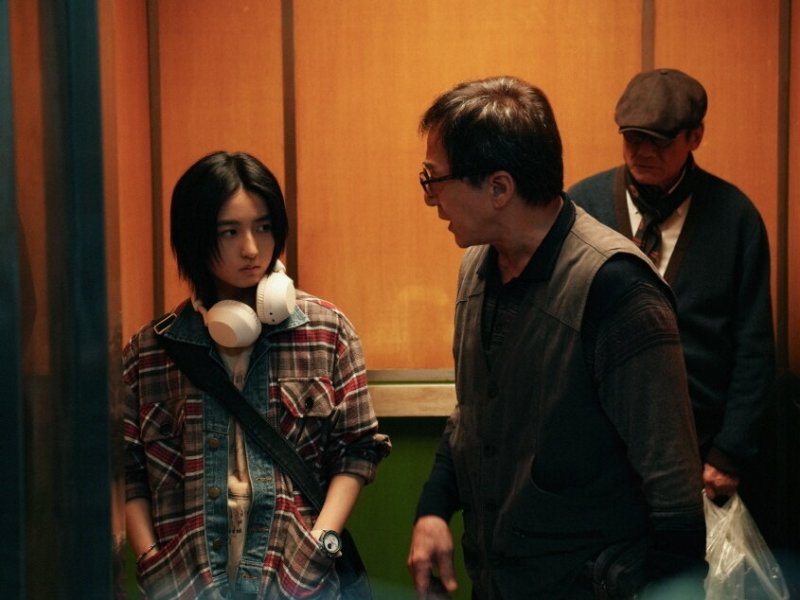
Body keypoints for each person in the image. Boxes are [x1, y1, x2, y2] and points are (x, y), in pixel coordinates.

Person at [406, 76, 706, 599]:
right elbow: (472, 414)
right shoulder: (476, 267)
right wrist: (434, 508)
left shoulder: (618, 288)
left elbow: (673, 485)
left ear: (499, 188)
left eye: (435, 179)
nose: (431, 198)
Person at [123, 151, 390, 599]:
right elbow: (128, 471)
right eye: (229, 232)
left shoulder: (326, 332)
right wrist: (152, 560)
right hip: (188, 587)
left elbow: (356, 450)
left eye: (263, 227)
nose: (251, 248)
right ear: (194, 238)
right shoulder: (150, 351)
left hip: (297, 584)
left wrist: (320, 543)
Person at [568, 68, 775, 503]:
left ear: (695, 136)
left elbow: (754, 348)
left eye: (659, 141)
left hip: (701, 449)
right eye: (632, 138)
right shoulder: (582, 209)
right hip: (600, 448)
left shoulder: (736, 217)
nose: (642, 151)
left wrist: (730, 452)